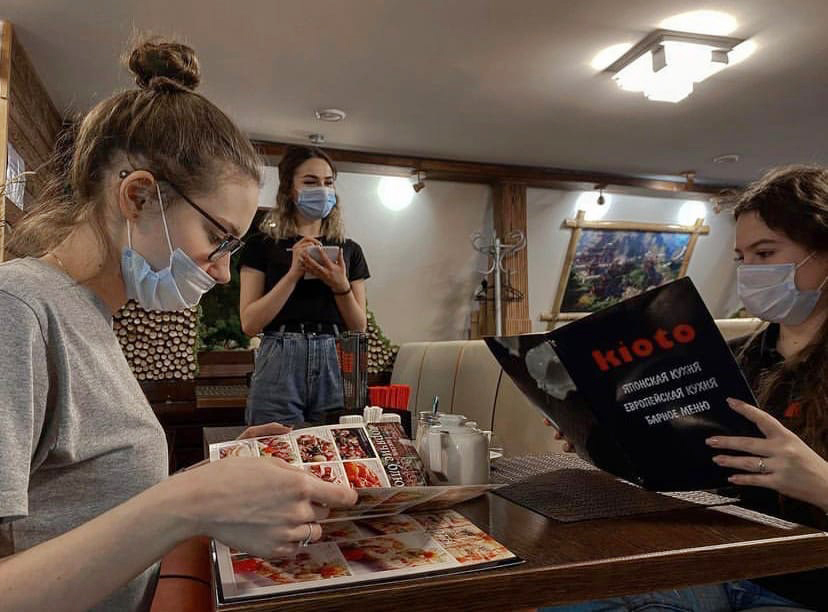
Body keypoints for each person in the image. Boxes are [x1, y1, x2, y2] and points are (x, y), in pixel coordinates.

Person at [0, 39, 356, 612]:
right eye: (218, 238)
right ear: (139, 196)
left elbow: (85, 505)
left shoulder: (89, 314)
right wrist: (190, 501)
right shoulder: (18, 309)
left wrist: (214, 477)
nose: (222, 272)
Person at [543, 165, 828, 611]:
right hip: (716, 563)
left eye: (765, 252)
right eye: (742, 258)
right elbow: (687, 468)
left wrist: (820, 483)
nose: (749, 271)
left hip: (808, 586)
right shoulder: (728, 358)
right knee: (565, 596)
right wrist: (602, 438)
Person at [239, 145, 369, 426]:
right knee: (274, 444)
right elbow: (249, 323)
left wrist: (340, 285)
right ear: (289, 189)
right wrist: (293, 273)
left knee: (340, 443)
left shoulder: (350, 250)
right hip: (279, 354)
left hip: (338, 353)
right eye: (310, 182)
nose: (321, 190)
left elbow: (359, 327)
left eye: (328, 182)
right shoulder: (261, 245)